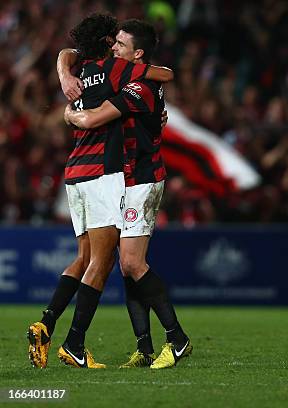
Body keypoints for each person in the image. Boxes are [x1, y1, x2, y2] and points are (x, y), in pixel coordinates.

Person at [27, 13, 174, 369]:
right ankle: (75, 343)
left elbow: (66, 55)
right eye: (116, 40)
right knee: (103, 262)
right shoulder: (115, 70)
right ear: (108, 43)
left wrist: (66, 95)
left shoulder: (79, 75)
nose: (117, 45)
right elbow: (164, 74)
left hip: (73, 174)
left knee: (83, 258)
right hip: (101, 174)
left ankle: (45, 323)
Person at [63, 19, 192, 369]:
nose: (113, 48)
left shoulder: (139, 88)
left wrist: (71, 114)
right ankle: (145, 348)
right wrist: (65, 70)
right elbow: (71, 55)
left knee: (133, 263)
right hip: (127, 179)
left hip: (143, 180)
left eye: (120, 44)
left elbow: (92, 120)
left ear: (137, 54)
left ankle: (177, 339)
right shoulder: (130, 79)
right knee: (125, 265)